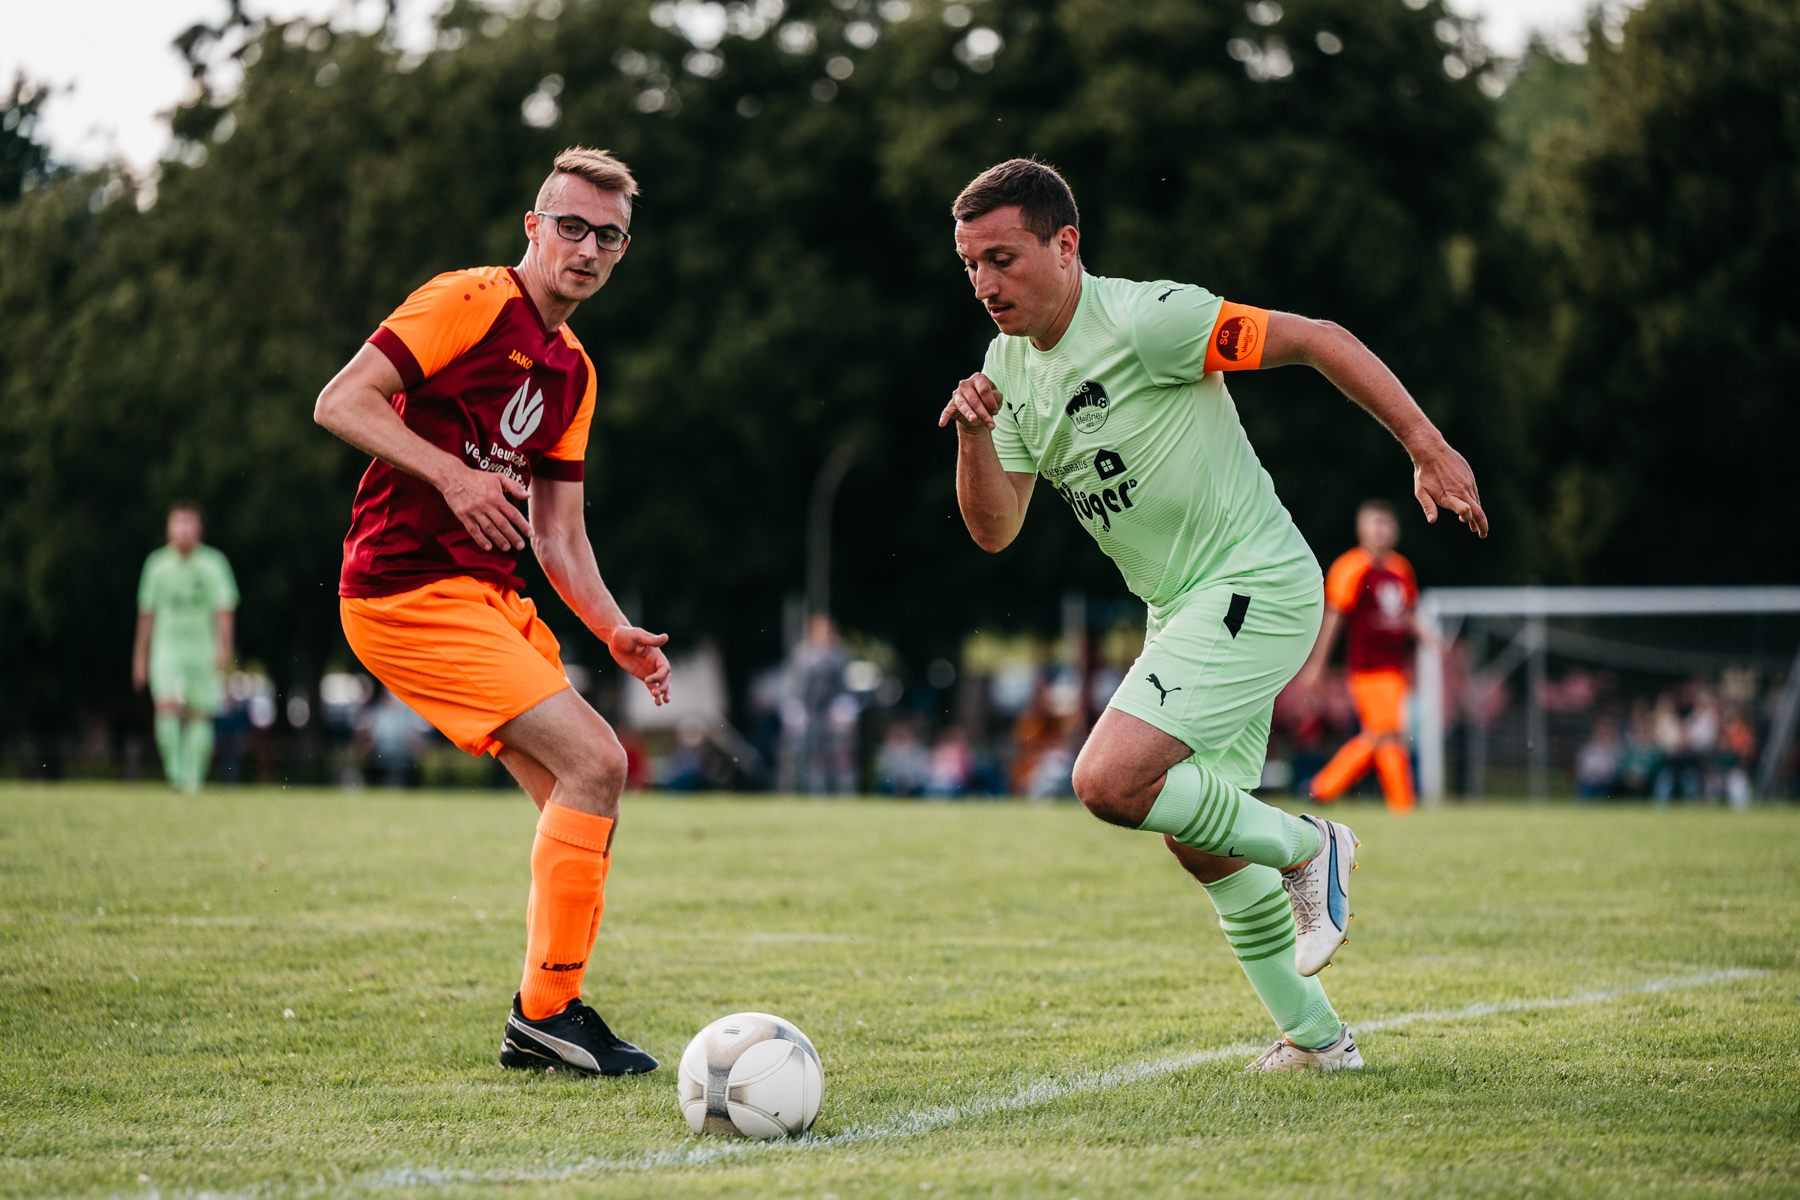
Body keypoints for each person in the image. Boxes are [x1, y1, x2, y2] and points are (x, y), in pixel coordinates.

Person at [939, 159, 1487, 1073]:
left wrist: (1425, 446)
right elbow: (995, 530)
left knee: (1106, 781)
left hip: (1255, 584)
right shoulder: (1006, 370)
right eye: (969, 265)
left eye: (1003, 258)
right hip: (1184, 609)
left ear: (1066, 246)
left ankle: (1311, 846)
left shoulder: (1149, 320)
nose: (984, 283)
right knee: (1200, 841)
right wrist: (973, 437)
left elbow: (1316, 338)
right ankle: (1318, 1041)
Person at [313, 147, 672, 1078]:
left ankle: (547, 1017)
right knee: (599, 761)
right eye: (572, 227)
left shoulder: (576, 372)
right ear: (533, 227)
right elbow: (341, 402)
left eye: (608, 236)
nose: (587, 249)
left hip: (488, 600)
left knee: (578, 801)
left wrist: (613, 628)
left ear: (622, 251)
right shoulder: (470, 299)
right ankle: (547, 1013)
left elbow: (559, 535)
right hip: (403, 589)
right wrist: (451, 474)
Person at [1295, 499, 1422, 813]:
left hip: (1395, 668)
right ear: (1361, 530)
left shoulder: (1401, 569)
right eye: (1375, 523)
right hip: (1367, 668)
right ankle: (1400, 804)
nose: (1381, 530)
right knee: (1386, 732)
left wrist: (1424, 641)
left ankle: (1322, 789)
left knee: (1383, 735)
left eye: (1386, 523)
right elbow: (1335, 618)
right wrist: (1318, 665)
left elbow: (1406, 616)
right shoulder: (1350, 567)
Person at [132, 501, 238, 793]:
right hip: (166, 648)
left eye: (189, 523)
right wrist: (140, 657)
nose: (184, 530)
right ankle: (175, 773)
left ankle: (193, 781)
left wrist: (225, 648)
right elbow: (147, 614)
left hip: (203, 649)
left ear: (199, 529)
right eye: (178, 523)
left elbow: (224, 610)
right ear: (169, 529)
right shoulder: (156, 565)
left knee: (200, 713)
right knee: (166, 707)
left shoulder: (214, 564)